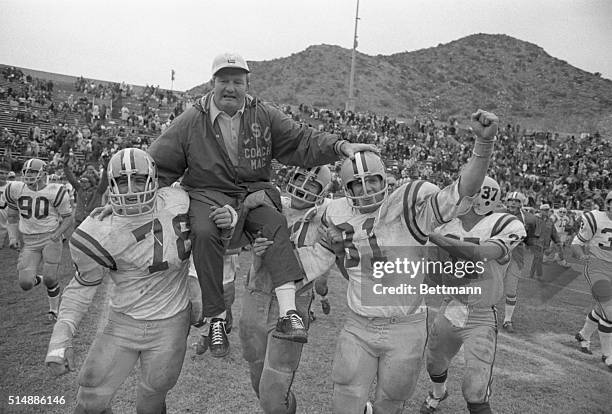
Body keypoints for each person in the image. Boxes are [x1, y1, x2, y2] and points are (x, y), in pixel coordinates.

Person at [258, 108, 497, 413]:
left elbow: (463, 190)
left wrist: (483, 146)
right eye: (357, 184)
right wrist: (271, 256)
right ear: (346, 188)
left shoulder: (409, 206)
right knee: (345, 398)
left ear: (384, 178)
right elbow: (308, 248)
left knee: (392, 400)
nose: (366, 188)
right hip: (359, 324)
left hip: (406, 325)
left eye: (372, 180)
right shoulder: (335, 212)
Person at [145, 52, 376, 356]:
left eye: (237, 81)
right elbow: (158, 162)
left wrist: (339, 146)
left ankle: (289, 312)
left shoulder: (264, 114)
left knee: (274, 222)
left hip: (253, 190)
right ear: (213, 83)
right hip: (207, 192)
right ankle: (216, 318)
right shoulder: (191, 119)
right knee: (203, 230)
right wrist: (134, 198)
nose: (231, 88)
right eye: (224, 81)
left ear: (246, 84)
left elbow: (300, 140)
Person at [44, 148, 210, 413]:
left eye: (138, 179)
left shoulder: (179, 200)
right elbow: (83, 287)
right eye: (122, 181)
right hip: (124, 321)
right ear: (110, 185)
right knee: (90, 398)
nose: (131, 188)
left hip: (172, 322)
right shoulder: (97, 229)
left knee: (153, 398)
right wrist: (61, 336)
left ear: (155, 180)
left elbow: (215, 219)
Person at [419, 177, 526, 414]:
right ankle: (438, 394)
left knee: (475, 389)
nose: (457, 196)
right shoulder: (444, 223)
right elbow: (433, 269)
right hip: (450, 307)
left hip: (481, 315)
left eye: (465, 192)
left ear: (481, 197)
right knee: (434, 364)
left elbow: (481, 253)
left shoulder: (504, 223)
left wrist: (434, 237)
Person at [241, 165, 332, 413]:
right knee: (259, 383)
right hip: (256, 294)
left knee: (273, 394)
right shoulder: (272, 202)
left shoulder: (326, 216)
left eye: (312, 184)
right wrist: (258, 253)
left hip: (295, 300)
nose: (303, 186)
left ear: (323, 191)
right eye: (300, 178)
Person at [5, 159, 73, 320]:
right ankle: (40, 279)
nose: (29, 175)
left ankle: (54, 310)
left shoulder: (55, 190)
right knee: (26, 283)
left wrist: (58, 234)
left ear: (43, 173)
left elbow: (68, 218)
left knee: (50, 277)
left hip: (50, 236)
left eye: (33, 172)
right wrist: (13, 237)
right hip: (29, 241)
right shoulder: (15, 189)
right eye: (27, 172)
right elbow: (12, 216)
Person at [571, 190, 612, 370]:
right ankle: (608, 355)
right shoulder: (595, 218)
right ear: (607, 203)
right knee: (610, 310)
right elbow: (576, 243)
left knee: (601, 308)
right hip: (598, 267)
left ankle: (583, 335)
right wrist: (581, 257)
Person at [500, 191, 538, 333]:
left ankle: (507, 319)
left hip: (516, 256)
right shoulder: (497, 213)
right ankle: (485, 313)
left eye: (516, 201)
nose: (512, 203)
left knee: (511, 289)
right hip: (497, 254)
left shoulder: (529, 219)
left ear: (522, 203)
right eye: (510, 200)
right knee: (491, 285)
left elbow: (530, 239)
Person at [529, 203, 564, 279]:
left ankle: (531, 274)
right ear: (540, 210)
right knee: (539, 257)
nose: (546, 211)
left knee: (537, 259)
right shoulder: (535, 219)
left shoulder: (550, 221)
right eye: (544, 210)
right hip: (536, 242)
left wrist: (557, 241)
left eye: (547, 210)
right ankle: (539, 275)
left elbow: (553, 232)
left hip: (545, 243)